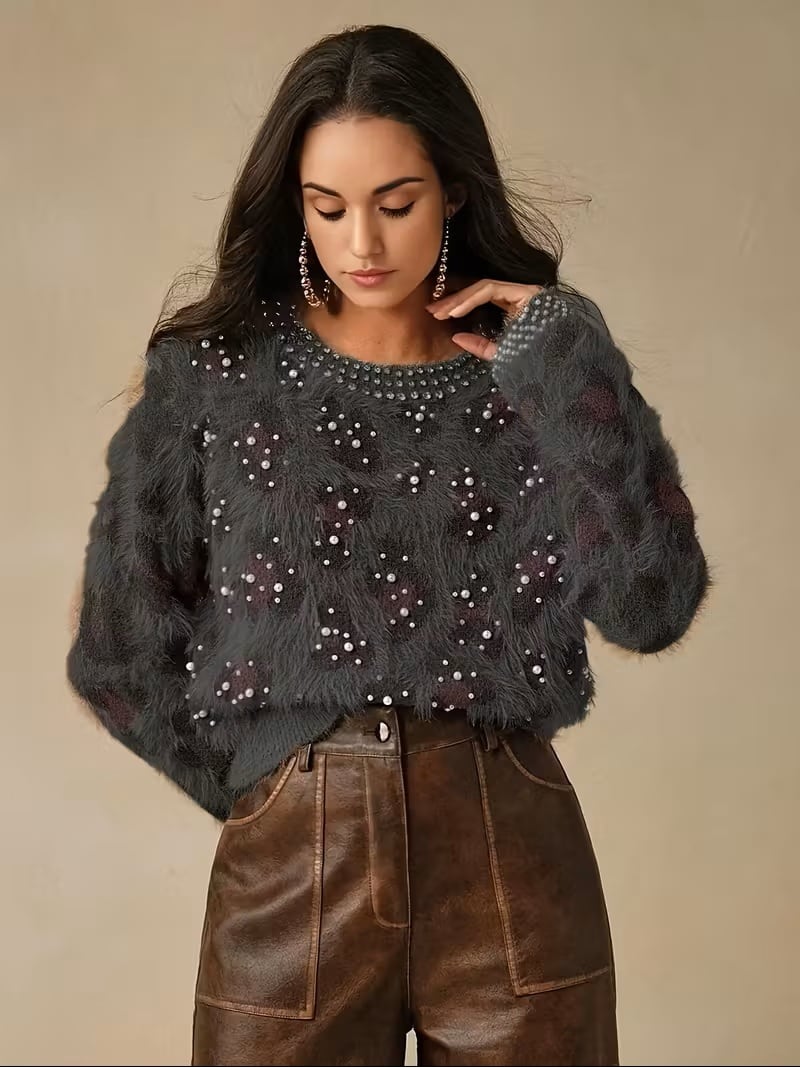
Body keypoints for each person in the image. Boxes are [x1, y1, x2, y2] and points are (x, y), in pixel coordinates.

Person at [66, 23, 710, 1067]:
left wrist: (568, 364)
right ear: (294, 205)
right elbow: (116, 649)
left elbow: (652, 605)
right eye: (327, 207)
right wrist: (273, 787)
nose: (360, 241)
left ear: (452, 191)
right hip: (290, 884)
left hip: (513, 876)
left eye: (395, 202)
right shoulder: (216, 374)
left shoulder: (535, 372)